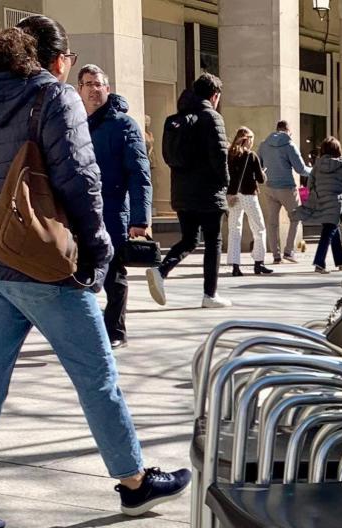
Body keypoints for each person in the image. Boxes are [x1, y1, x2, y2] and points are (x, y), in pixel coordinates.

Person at [0, 16, 189, 528]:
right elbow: (81, 179)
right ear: (57, 58)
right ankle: (135, 482)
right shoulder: (54, 96)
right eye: (70, 60)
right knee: (96, 375)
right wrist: (97, 254)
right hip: (42, 263)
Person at [78, 64, 151, 350]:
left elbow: (139, 174)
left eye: (99, 84)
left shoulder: (124, 125)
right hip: (79, 213)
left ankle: (115, 330)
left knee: (114, 276)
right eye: (88, 84)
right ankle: (87, 331)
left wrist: (140, 219)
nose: (94, 89)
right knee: (77, 275)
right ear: (79, 90)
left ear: (107, 89)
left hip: (113, 212)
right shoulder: (72, 122)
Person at [148, 73, 231, 308]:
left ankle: (161, 271)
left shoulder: (177, 120)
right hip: (209, 192)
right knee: (214, 241)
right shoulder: (212, 118)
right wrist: (226, 184)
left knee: (189, 239)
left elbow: (168, 157)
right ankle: (210, 295)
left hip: (182, 192)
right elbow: (220, 156)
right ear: (214, 96)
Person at [298, 136, 342, 273]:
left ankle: (341, 260)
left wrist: (314, 195)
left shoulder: (317, 166)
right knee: (328, 232)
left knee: (332, 230)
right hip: (336, 204)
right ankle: (319, 263)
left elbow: (310, 184)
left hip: (322, 203)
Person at [258, 120, 311, 262]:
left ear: (276, 129)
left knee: (272, 222)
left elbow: (259, 165)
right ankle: (288, 252)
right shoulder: (289, 145)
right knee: (296, 218)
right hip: (287, 188)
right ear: (288, 130)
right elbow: (301, 169)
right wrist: (315, 171)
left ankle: (276, 255)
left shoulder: (264, 145)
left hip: (269, 187)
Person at [226, 126, 275, 277]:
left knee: (234, 230)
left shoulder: (229, 155)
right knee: (259, 228)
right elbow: (260, 179)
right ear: (248, 140)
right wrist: (263, 173)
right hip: (248, 195)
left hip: (233, 196)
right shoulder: (251, 156)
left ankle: (235, 266)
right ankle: (258, 263)